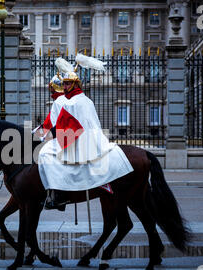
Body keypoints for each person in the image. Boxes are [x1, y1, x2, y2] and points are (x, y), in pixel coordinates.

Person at [38, 60, 134, 210]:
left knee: (45, 154)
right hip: (91, 139)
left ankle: (58, 194)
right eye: (63, 84)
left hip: (77, 140)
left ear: (75, 84)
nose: (64, 87)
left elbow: (62, 126)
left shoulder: (71, 103)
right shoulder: (85, 100)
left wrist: (47, 136)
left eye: (68, 83)